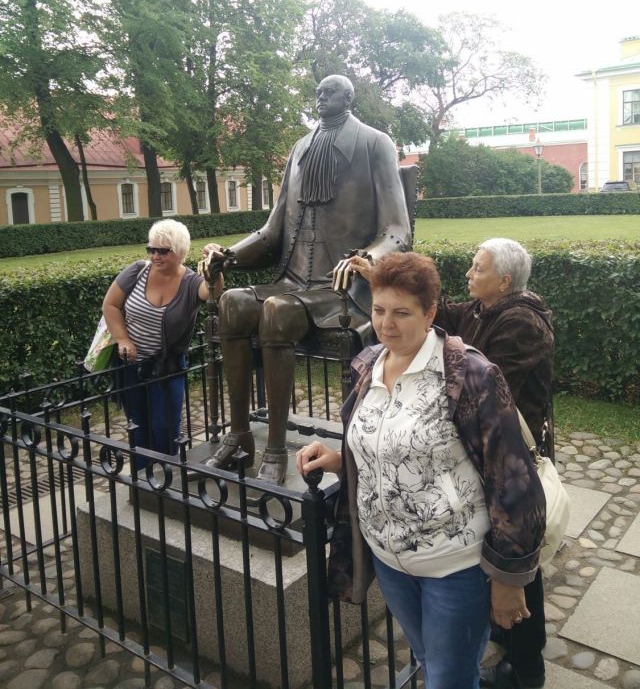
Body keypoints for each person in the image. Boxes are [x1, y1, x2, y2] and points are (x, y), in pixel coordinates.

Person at [297, 253, 545, 689]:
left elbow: (513, 482)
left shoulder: (468, 375)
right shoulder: (367, 365)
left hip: (455, 565)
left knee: (448, 678)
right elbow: (383, 437)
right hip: (390, 561)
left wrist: (509, 578)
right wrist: (342, 457)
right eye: (378, 310)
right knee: (433, 663)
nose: (386, 324)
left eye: (401, 313)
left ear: (430, 313)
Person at [202, 74, 411, 484]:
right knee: (233, 302)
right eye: (317, 91)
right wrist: (228, 256)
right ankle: (240, 435)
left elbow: (397, 231)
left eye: (329, 91)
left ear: (349, 97)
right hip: (292, 281)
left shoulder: (374, 144)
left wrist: (366, 259)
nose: (321, 96)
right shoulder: (300, 149)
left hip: (342, 290)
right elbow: (271, 231)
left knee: (278, 312)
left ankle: (277, 450)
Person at [102, 219, 220, 467]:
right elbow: (110, 305)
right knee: (138, 427)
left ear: (179, 252)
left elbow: (212, 293)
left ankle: (167, 485)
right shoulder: (137, 271)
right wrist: (123, 339)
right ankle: (143, 486)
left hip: (166, 369)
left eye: (162, 251)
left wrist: (215, 268)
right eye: (151, 249)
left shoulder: (190, 282)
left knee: (164, 429)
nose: (155, 256)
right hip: (130, 365)